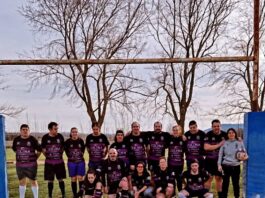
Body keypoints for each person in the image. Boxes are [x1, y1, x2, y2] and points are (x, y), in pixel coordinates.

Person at [12, 124, 42, 198]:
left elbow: (39, 150)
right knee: (22, 181)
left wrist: (34, 158)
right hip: (20, 165)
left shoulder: (33, 139)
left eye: (26, 130)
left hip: (31, 165)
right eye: (23, 130)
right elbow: (15, 150)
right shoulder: (16, 140)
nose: (25, 131)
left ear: (29, 131)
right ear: (20, 131)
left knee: (33, 181)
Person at [218, 128, 246, 198]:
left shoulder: (239, 142)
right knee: (225, 184)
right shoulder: (224, 143)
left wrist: (241, 142)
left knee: (236, 184)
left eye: (232, 132)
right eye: (229, 133)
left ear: (235, 134)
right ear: (227, 134)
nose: (231, 134)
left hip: (236, 166)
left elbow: (244, 153)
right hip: (226, 166)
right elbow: (220, 155)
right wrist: (219, 165)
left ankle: (237, 196)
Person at [41, 122, 66, 198]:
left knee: (60, 179)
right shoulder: (45, 137)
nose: (57, 130)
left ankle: (63, 195)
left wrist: (58, 155)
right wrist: (49, 157)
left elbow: (63, 148)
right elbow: (43, 149)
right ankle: (50, 196)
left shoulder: (60, 136)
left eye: (57, 128)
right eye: (55, 129)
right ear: (50, 129)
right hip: (49, 163)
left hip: (59, 163)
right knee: (50, 180)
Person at [204, 119, 227, 197]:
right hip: (209, 161)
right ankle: (206, 196)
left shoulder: (225, 135)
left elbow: (232, 142)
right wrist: (219, 145)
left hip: (220, 162)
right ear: (212, 127)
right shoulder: (208, 134)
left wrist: (239, 140)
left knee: (219, 179)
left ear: (220, 126)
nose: (216, 128)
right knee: (208, 178)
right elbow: (206, 147)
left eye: (218, 126)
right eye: (214, 126)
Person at [65, 127, 86, 197]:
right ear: (71, 133)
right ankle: (75, 195)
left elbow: (83, 151)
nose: (75, 133)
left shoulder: (81, 141)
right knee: (73, 178)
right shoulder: (67, 142)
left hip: (80, 162)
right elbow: (66, 152)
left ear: (77, 133)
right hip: (71, 162)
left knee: (80, 178)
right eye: (73, 132)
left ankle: (81, 194)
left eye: (76, 132)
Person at [167, 125, 186, 192]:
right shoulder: (169, 138)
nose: (175, 132)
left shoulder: (183, 139)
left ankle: (181, 194)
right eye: (174, 130)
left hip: (180, 165)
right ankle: (173, 194)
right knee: (172, 180)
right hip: (171, 164)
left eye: (177, 130)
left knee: (179, 180)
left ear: (180, 131)